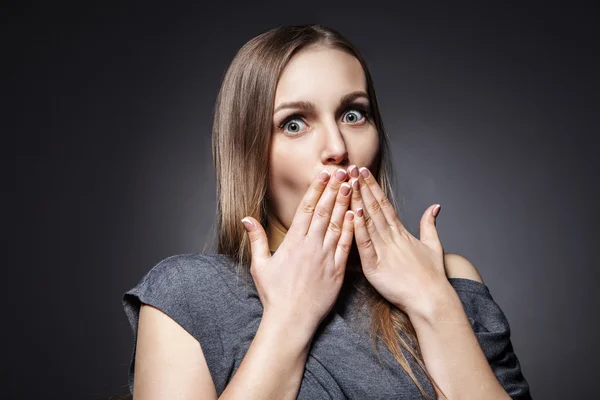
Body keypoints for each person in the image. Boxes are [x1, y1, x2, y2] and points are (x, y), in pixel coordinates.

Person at [122, 24, 532, 399]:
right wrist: (290, 319)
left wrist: (432, 302)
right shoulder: (187, 295)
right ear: (249, 152)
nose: (337, 146)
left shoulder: (451, 279)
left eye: (353, 114)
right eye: (295, 123)